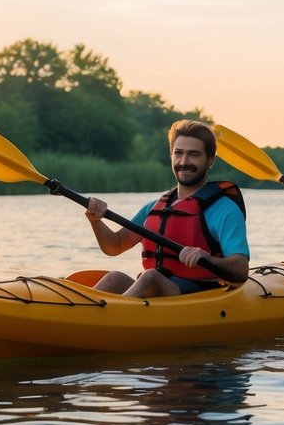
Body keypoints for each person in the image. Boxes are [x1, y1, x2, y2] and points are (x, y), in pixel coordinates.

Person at [84, 120, 250, 297]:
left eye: (194, 154)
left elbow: (240, 270)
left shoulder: (224, 209)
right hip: (156, 293)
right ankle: (83, 317)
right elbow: (114, 246)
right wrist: (95, 220)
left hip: (197, 297)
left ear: (210, 159)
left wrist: (206, 258)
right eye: (178, 153)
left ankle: (108, 318)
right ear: (171, 155)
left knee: (150, 277)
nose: (184, 162)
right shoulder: (154, 207)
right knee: (114, 278)